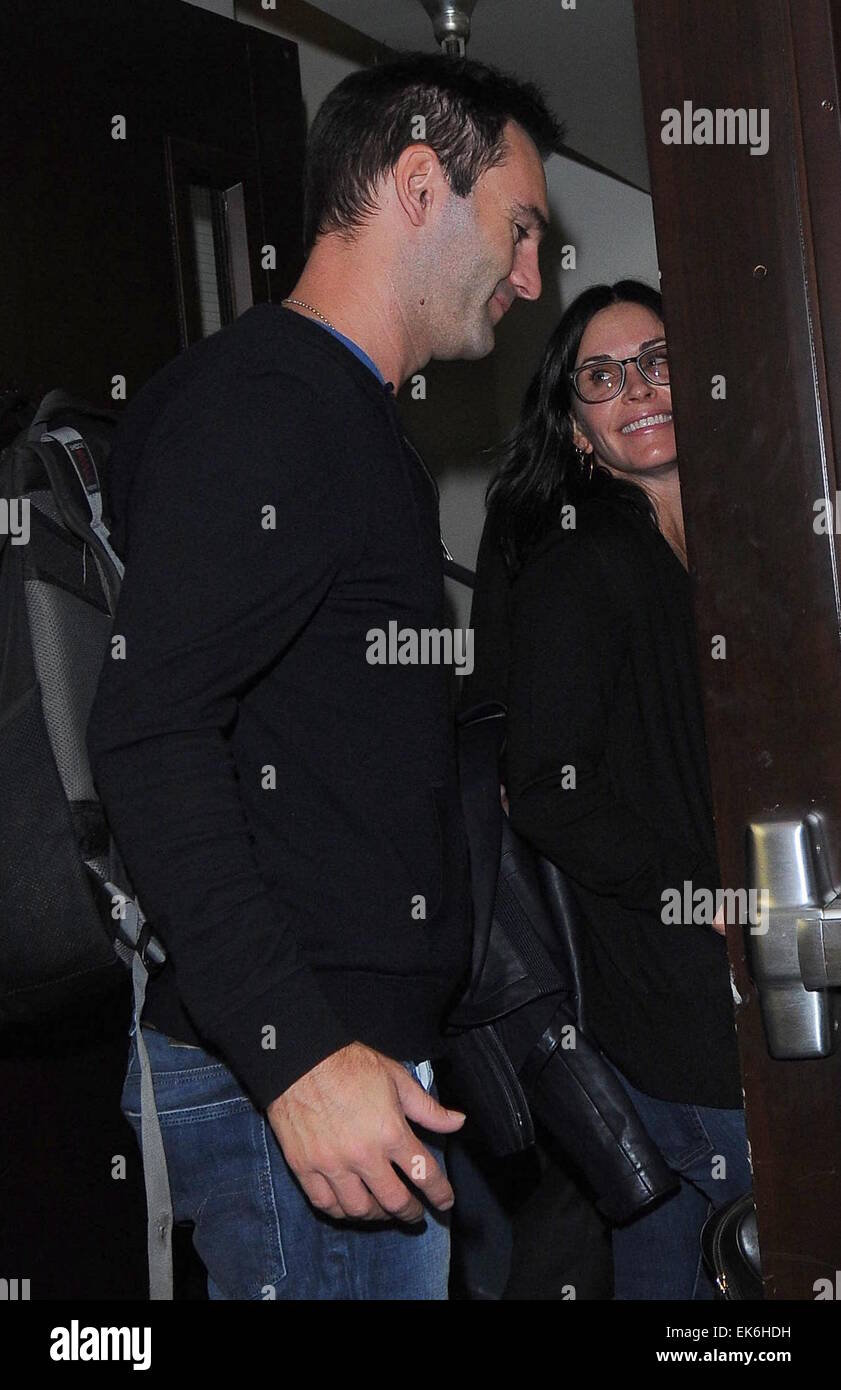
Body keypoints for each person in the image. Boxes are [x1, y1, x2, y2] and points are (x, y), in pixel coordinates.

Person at [85, 51, 561, 1301]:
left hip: (345, 1063)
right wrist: (298, 1059)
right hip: (296, 1080)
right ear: (418, 183)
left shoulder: (342, 421)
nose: (529, 277)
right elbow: (149, 731)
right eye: (519, 230)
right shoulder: (268, 407)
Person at [468, 280, 750, 1300]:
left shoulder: (735, 553)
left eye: (658, 358)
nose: (637, 385)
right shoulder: (576, 568)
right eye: (603, 373)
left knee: (669, 1251)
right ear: (579, 429)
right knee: (774, 1229)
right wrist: (699, 891)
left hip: (734, 964)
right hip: (671, 987)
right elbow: (544, 791)